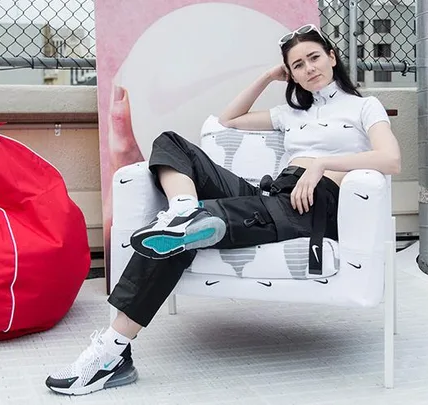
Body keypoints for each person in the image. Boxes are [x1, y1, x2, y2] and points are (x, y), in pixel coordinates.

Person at [45, 23, 401, 395]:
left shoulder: (363, 106)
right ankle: (184, 211)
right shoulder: (291, 113)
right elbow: (226, 120)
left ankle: (109, 354)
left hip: (313, 202)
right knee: (171, 144)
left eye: (314, 57)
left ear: (332, 57)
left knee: (180, 238)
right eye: (297, 65)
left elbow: (390, 159)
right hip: (271, 195)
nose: (308, 68)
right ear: (290, 74)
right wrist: (267, 76)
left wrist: (322, 165)